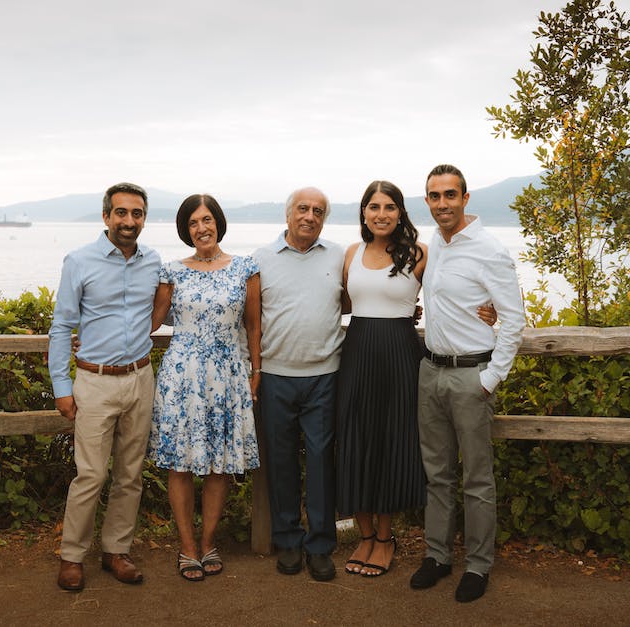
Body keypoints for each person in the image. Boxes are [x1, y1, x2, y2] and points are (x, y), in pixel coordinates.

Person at [409, 164, 525, 603]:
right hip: (431, 371)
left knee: (477, 479)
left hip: (471, 376)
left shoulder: (490, 249)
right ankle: (437, 556)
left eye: (450, 195)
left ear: (465, 198)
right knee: (437, 475)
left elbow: (513, 318)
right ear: (428, 201)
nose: (443, 204)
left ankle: (478, 566)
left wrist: (491, 377)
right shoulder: (435, 246)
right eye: (435, 197)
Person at [49, 182, 160, 591]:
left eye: (137, 214)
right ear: (106, 216)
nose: (129, 221)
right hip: (94, 382)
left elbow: (163, 308)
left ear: (144, 218)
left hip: (140, 378)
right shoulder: (79, 261)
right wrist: (61, 385)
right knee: (90, 475)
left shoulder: (154, 261)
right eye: (121, 213)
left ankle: (116, 551)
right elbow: (62, 326)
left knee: (130, 474)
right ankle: (72, 556)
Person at [148, 194, 261, 582]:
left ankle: (209, 540)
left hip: (228, 374)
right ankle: (187, 546)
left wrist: (255, 371)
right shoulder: (171, 272)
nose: (202, 228)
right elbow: (150, 323)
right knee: (180, 464)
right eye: (194, 222)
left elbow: (253, 326)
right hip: (182, 377)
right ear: (186, 230)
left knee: (218, 464)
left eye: (207, 219)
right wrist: (93, 337)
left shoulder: (245, 267)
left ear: (219, 223)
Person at [335, 180, 427, 577]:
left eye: (389, 207)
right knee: (355, 440)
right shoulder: (351, 253)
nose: (381, 214)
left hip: (399, 356)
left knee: (392, 442)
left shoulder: (419, 254)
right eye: (373, 207)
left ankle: (386, 539)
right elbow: (339, 302)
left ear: (400, 212)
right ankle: (365, 535)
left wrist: (488, 311)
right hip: (356, 353)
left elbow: (448, 293)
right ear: (363, 213)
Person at [253, 187, 344, 582]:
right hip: (275, 375)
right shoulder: (260, 259)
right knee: (281, 461)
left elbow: (361, 294)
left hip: (324, 374)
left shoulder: (339, 256)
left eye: (318, 211)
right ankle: (288, 540)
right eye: (303, 209)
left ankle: (321, 546)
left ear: (324, 218)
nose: (310, 216)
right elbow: (248, 317)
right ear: (288, 214)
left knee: (323, 463)